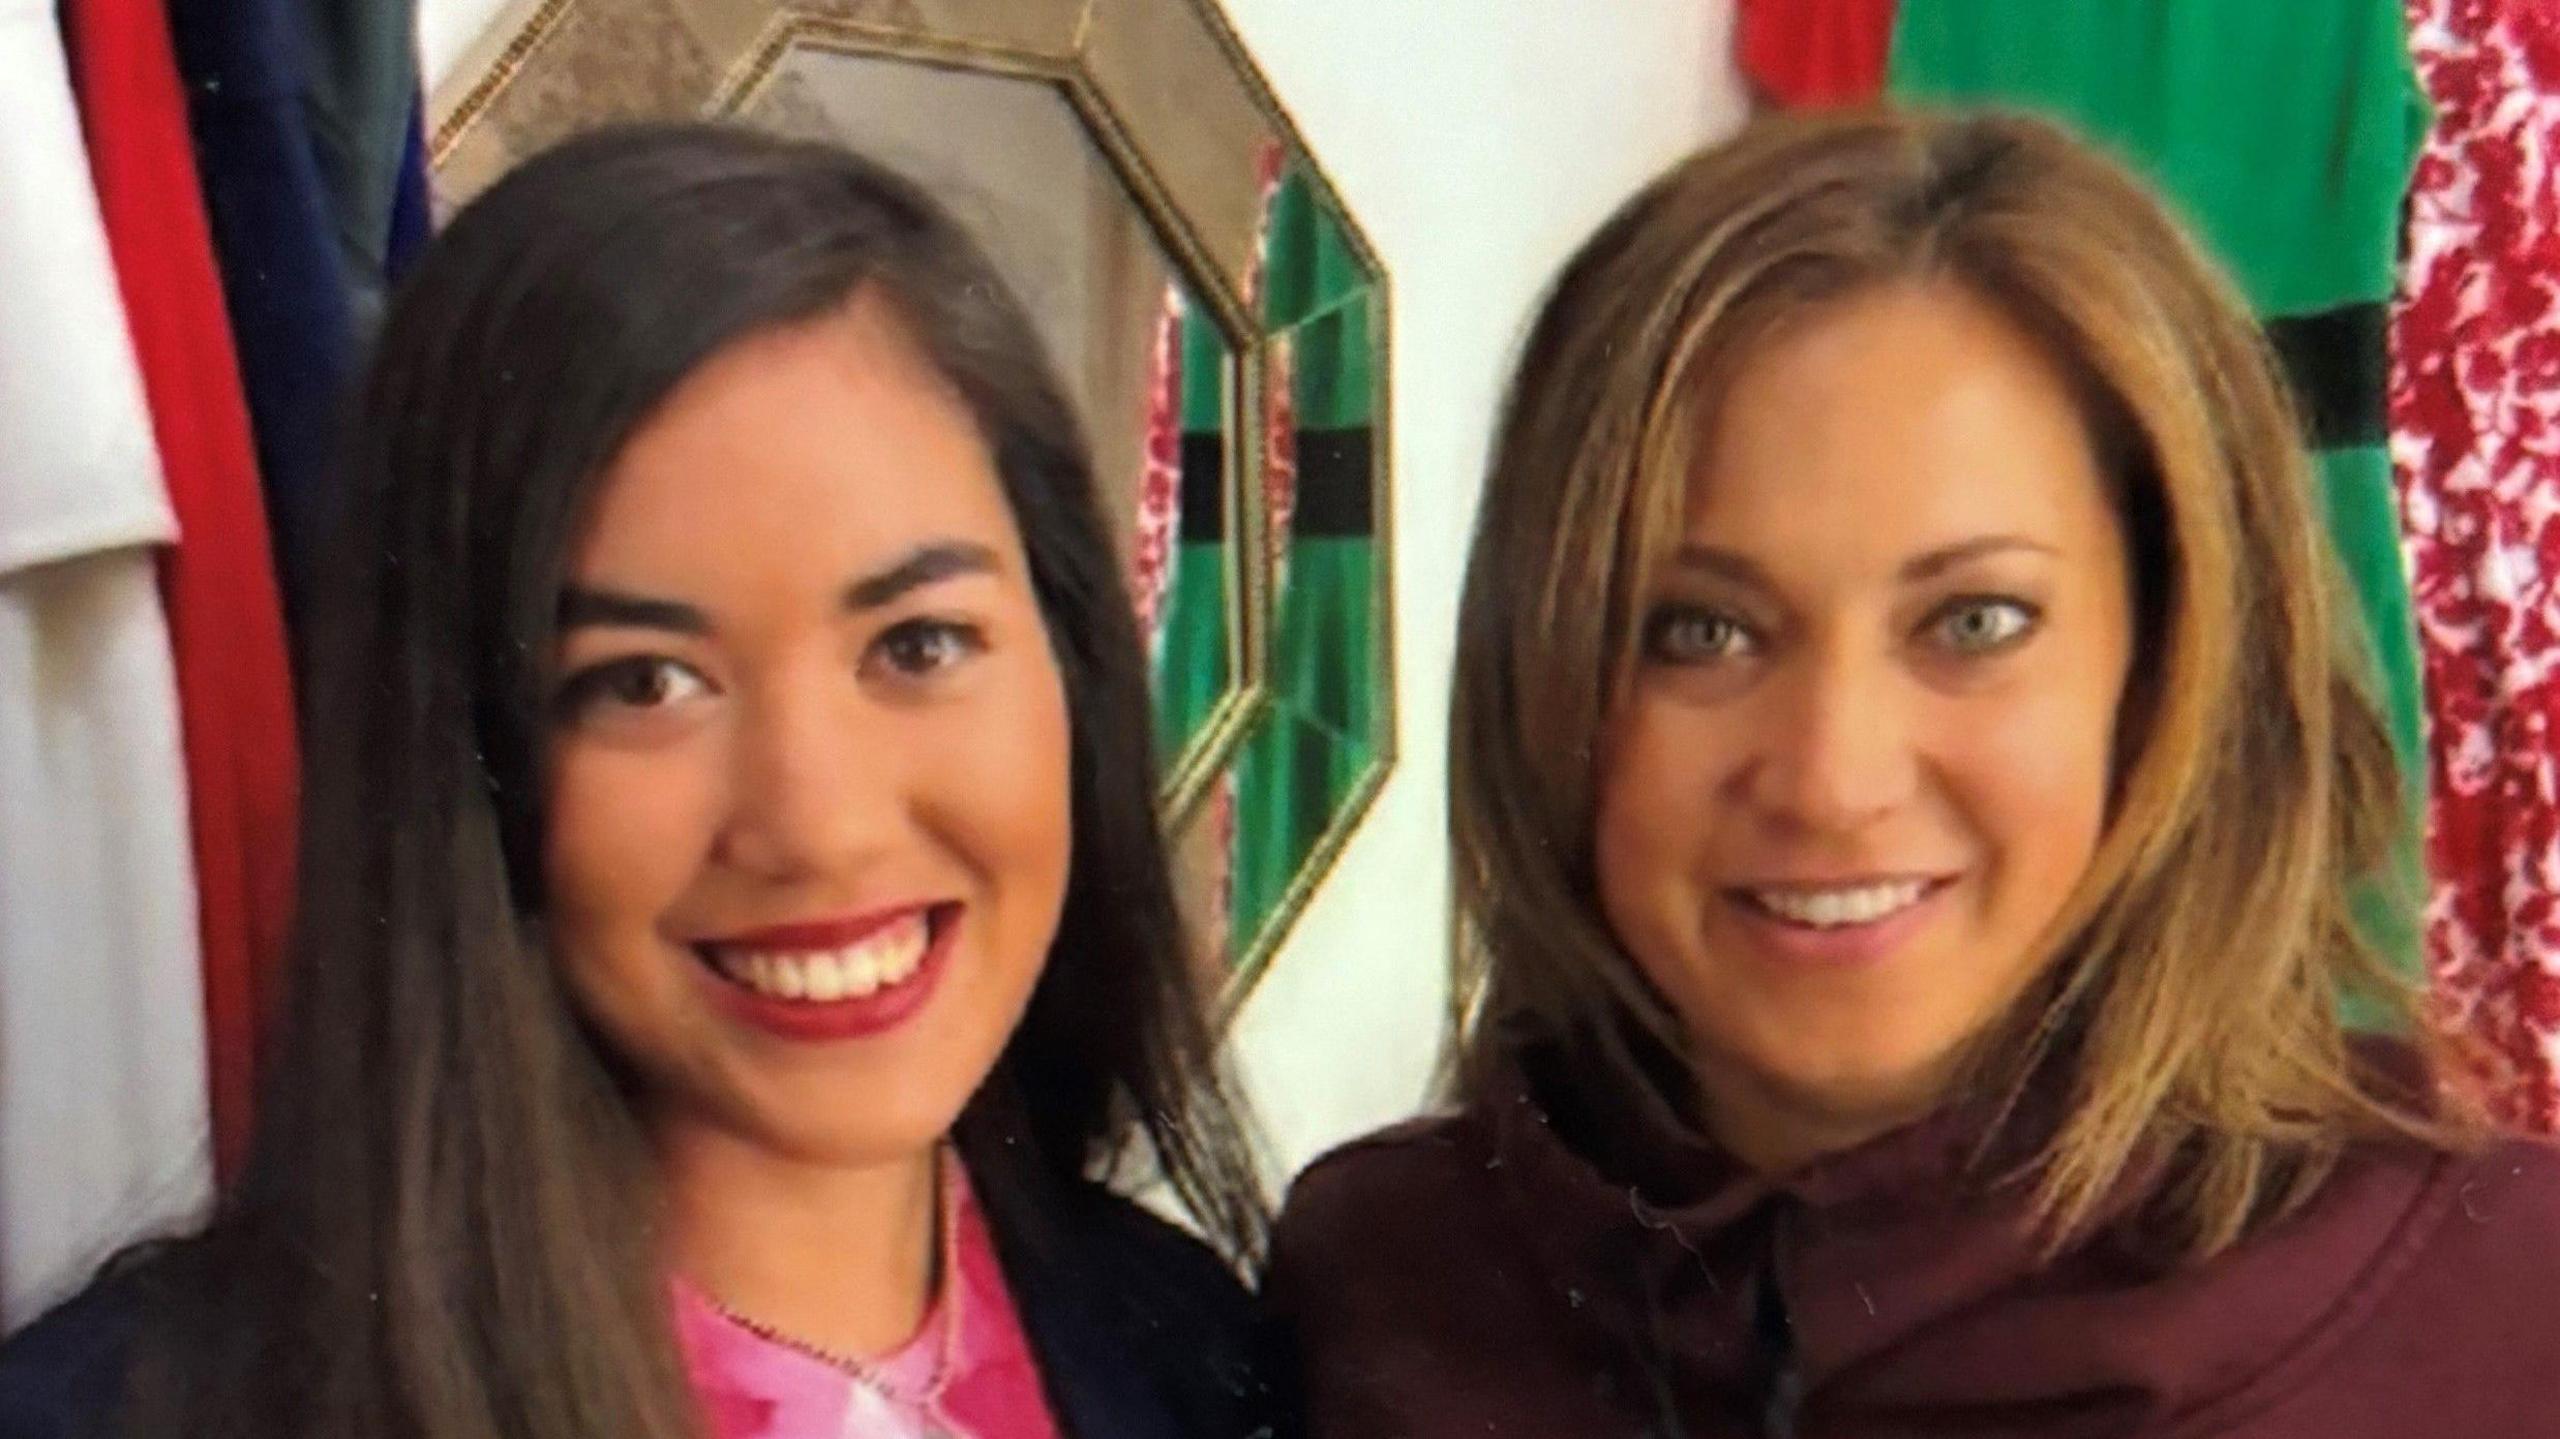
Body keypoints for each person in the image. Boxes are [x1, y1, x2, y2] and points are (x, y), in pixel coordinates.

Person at [1266, 108, 2560, 1438]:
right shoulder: (1376, 1284)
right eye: (1699, 632)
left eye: (1976, 623)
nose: (1832, 779)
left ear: (2174, 657)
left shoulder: (2510, 1310)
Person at [0, 122, 1270, 1439]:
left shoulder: (1200, 1352)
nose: (819, 827)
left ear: (1070, 660)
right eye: (644, 682)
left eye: (917, 645)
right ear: (468, 758)